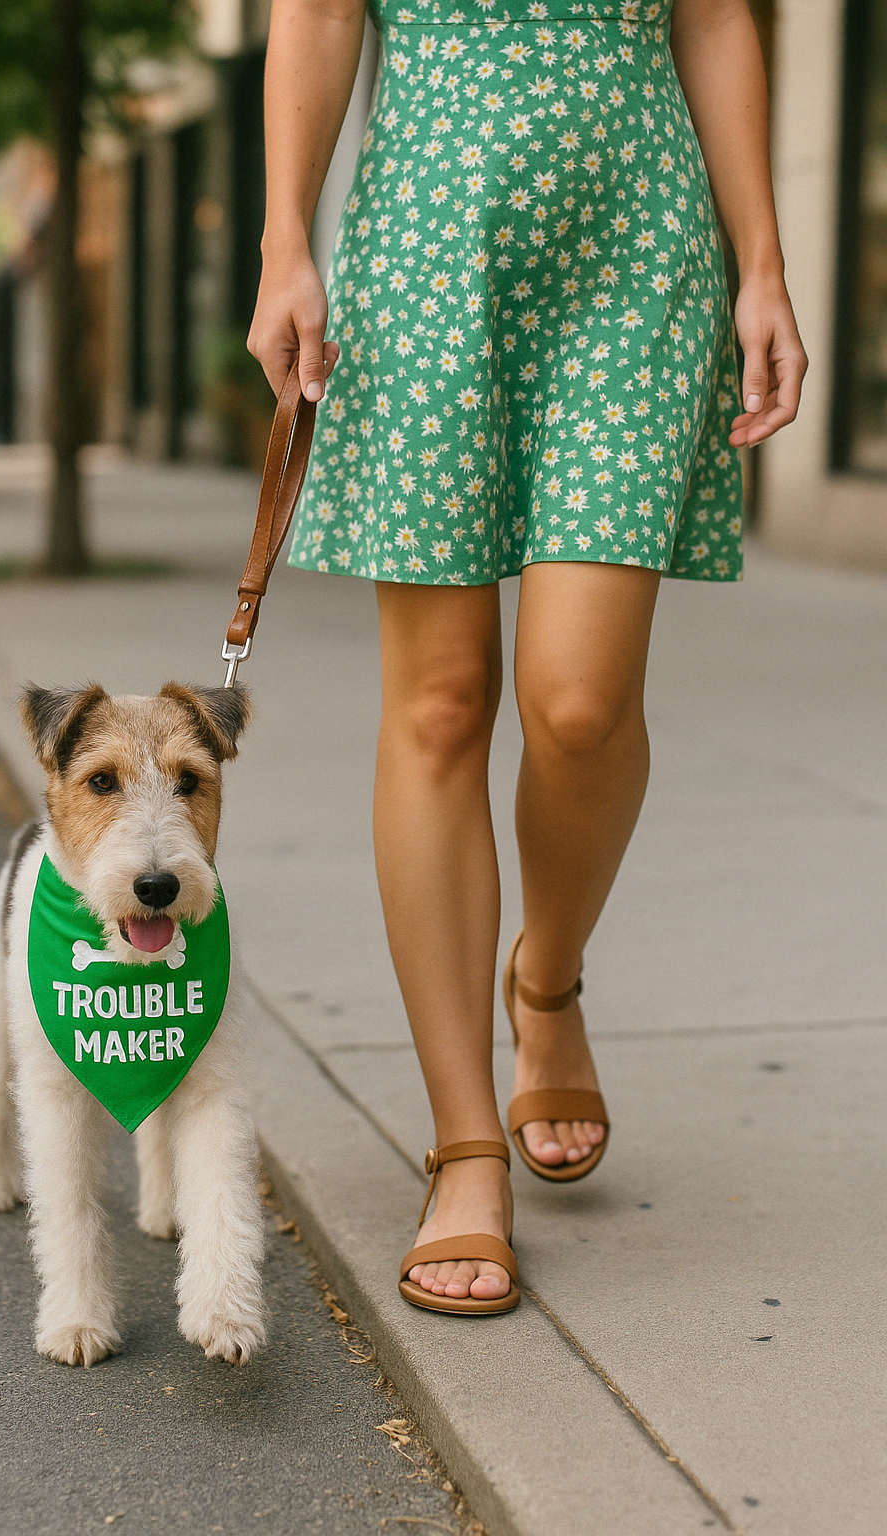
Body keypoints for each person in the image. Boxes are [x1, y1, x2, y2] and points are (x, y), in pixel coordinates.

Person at [248, 0, 806, 1314]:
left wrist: (765, 262)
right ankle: (462, 1149)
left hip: (641, 241)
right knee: (440, 706)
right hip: (429, 230)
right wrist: (286, 237)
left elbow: (716, 16)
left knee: (578, 702)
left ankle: (543, 979)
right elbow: (318, 12)